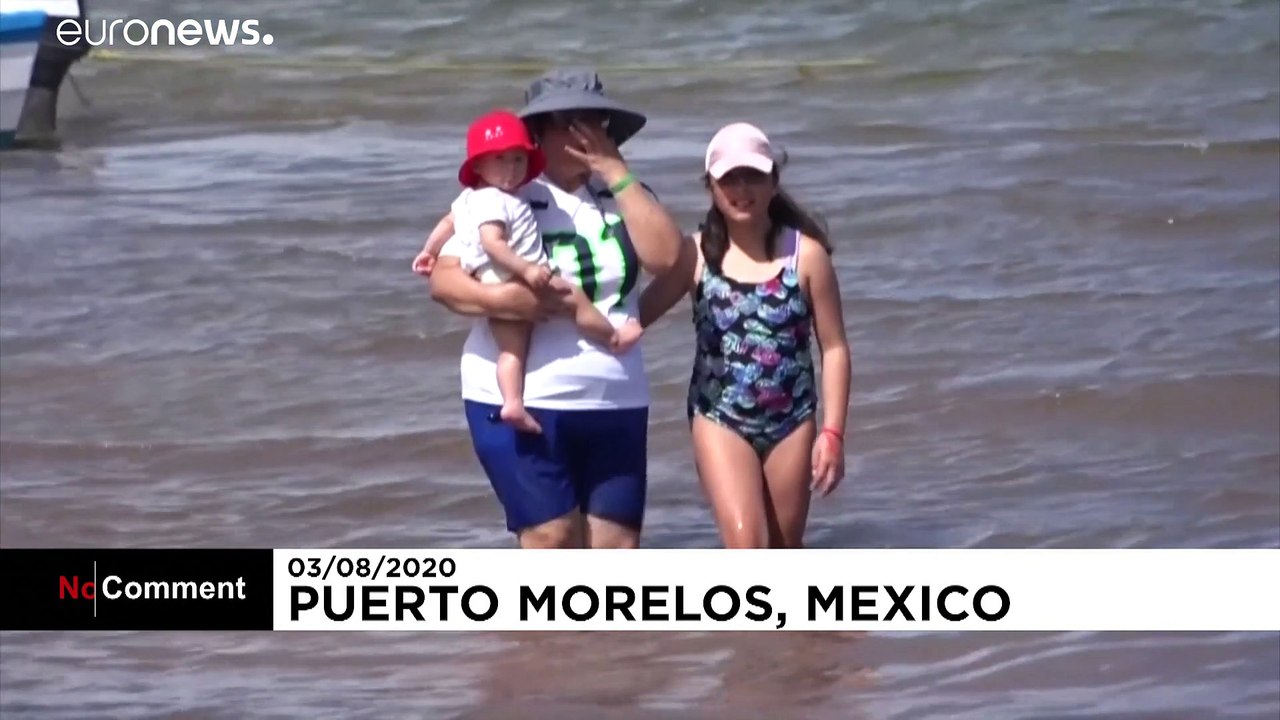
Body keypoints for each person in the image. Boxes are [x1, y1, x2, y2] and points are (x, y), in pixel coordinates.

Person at [415, 69, 684, 549]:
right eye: (565, 120)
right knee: (552, 540)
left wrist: (617, 172)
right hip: (522, 396)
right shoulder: (502, 195)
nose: (581, 131)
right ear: (536, 133)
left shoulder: (624, 196)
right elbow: (444, 281)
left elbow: (668, 260)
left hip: (616, 399)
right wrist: (505, 301)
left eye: (593, 119)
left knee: (616, 550)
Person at [639, 122, 852, 548]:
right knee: (745, 546)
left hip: (791, 420)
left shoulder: (805, 256)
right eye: (728, 179)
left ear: (773, 181)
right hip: (719, 418)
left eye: (753, 176)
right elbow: (631, 321)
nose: (741, 189)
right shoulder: (695, 255)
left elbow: (835, 348)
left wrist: (832, 433)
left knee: (782, 550)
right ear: (710, 189)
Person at [417, 109, 642, 434]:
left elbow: (448, 223)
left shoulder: (470, 199)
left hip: (495, 276)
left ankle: (512, 402)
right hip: (511, 275)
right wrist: (523, 276)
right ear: (478, 165)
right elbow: (492, 245)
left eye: (518, 160)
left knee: (512, 351)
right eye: (500, 160)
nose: (511, 169)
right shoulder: (497, 200)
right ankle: (614, 337)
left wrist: (429, 250)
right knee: (572, 298)